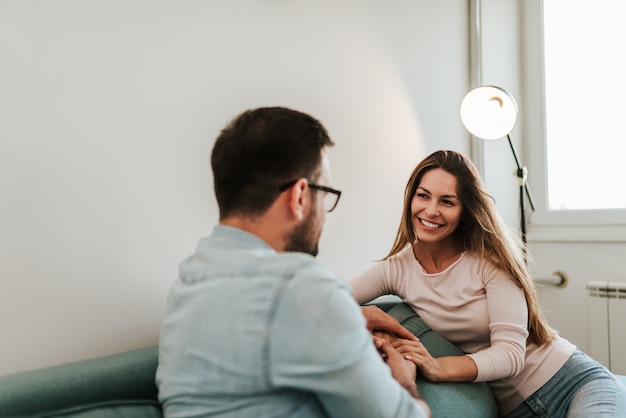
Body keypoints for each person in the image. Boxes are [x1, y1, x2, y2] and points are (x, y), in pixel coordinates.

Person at [156, 107, 430, 417]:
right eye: (324, 193)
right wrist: (403, 380)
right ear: (299, 196)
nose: (324, 213)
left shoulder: (189, 279)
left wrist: (342, 317)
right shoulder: (301, 285)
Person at [348, 149, 626, 417]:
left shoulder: (490, 263)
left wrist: (437, 367)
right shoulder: (395, 270)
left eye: (447, 201)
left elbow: (510, 355)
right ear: (411, 198)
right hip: (515, 411)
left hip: (575, 384)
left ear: (465, 210)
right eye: (423, 196)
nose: (431, 210)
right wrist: (362, 312)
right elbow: (329, 296)